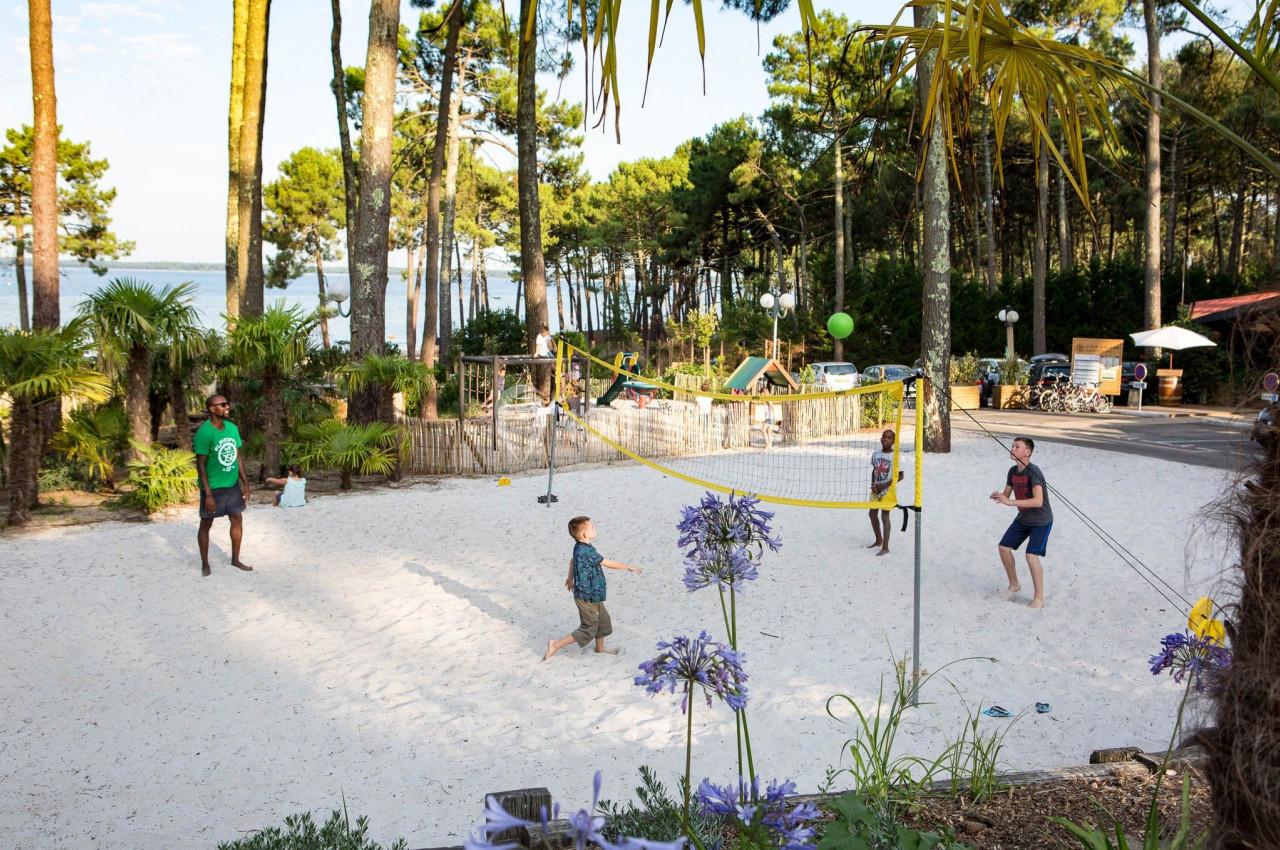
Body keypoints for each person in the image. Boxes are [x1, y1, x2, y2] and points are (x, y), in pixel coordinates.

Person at [542, 516, 642, 661]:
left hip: (593, 593)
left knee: (603, 621)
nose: (595, 528)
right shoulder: (586, 551)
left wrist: (570, 578)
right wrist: (627, 566)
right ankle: (556, 645)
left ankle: (600, 649)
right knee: (589, 628)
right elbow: (607, 563)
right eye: (592, 527)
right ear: (584, 534)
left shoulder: (581, 547)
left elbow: (572, 561)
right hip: (586, 596)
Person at [990, 436, 1053, 608]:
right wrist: (1000, 496)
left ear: (1027, 452)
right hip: (1024, 519)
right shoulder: (1012, 471)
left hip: (1041, 520)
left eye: (1017, 447)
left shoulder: (1034, 472)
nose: (1012, 449)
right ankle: (1014, 584)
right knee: (1003, 548)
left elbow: (1038, 501)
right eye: (1012, 446)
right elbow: (1007, 495)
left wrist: (1011, 503)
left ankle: (1039, 598)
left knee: (1031, 556)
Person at [194, 394, 253, 577]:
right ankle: (205, 563)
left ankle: (235, 560)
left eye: (228, 403)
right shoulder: (204, 433)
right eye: (223, 404)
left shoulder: (232, 429)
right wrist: (209, 495)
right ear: (212, 409)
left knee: (237, 519)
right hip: (213, 487)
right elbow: (201, 466)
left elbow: (237, 457)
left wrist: (245, 483)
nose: (228, 406)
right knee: (206, 523)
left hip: (232, 485)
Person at [866, 429, 904, 555]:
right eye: (883, 437)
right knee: (872, 514)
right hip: (876, 489)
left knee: (885, 517)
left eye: (888, 437)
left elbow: (900, 476)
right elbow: (874, 471)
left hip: (888, 491)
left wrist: (884, 485)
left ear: (893, 441)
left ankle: (885, 547)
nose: (885, 439)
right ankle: (878, 540)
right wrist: (874, 484)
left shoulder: (896, 456)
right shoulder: (876, 454)